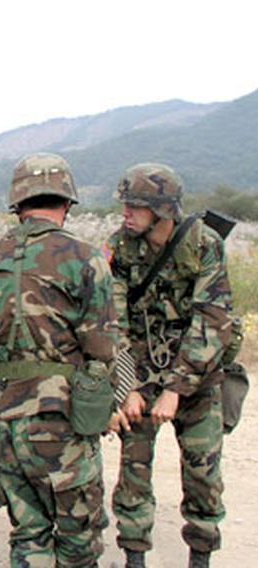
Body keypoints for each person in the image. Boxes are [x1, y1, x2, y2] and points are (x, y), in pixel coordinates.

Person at [0, 153, 120, 567]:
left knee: (29, 532)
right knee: (78, 537)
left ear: (18, 204)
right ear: (67, 202)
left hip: (4, 417)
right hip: (59, 419)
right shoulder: (85, 256)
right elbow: (103, 345)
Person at [107, 164, 234, 568]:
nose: (125, 213)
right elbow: (114, 320)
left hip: (196, 380)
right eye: (125, 204)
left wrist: (176, 389)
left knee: (203, 474)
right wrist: (126, 387)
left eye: (135, 206)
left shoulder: (203, 243)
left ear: (162, 210)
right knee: (133, 472)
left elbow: (213, 321)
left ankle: (200, 557)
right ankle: (134, 557)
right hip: (141, 379)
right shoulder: (121, 246)